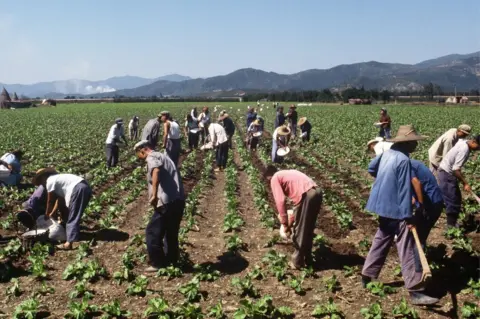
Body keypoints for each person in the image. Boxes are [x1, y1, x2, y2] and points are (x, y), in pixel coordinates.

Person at [362, 124, 439, 305]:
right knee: (407, 245)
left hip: (381, 204)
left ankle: (367, 275)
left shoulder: (386, 154)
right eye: (414, 142)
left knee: (382, 238)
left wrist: (386, 182)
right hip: (396, 208)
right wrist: (410, 214)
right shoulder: (404, 160)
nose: (416, 146)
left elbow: (371, 168)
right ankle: (415, 290)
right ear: (408, 143)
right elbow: (405, 190)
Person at [134, 140, 185, 271]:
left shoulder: (151, 157)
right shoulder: (163, 156)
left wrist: (154, 194)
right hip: (177, 200)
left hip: (166, 201)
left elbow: (155, 170)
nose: (138, 158)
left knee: (152, 232)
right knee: (171, 232)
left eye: (137, 154)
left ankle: (157, 263)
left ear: (142, 150)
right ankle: (172, 261)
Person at [265, 167, 322, 269]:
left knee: (300, 230)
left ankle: (297, 261)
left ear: (269, 176)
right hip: (317, 192)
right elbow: (296, 203)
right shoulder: (289, 172)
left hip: (307, 195)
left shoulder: (274, 178)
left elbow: (280, 201)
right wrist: (291, 219)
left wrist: (285, 224)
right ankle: (308, 258)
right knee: (308, 228)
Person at [33, 168, 92, 250]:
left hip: (78, 189)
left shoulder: (50, 181)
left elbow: (50, 201)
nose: (42, 185)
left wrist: (47, 215)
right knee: (73, 214)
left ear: (43, 177)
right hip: (85, 187)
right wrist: (53, 212)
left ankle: (69, 243)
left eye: (41, 182)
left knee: (73, 215)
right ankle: (72, 234)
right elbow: (59, 201)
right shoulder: (59, 180)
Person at [437, 135, 480, 228]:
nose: (478, 149)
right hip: (446, 174)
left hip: (446, 172)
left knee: (456, 198)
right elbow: (456, 169)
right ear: (473, 142)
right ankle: (450, 227)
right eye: (479, 147)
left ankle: (452, 223)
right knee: (452, 200)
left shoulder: (464, 142)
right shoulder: (464, 150)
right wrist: (465, 183)